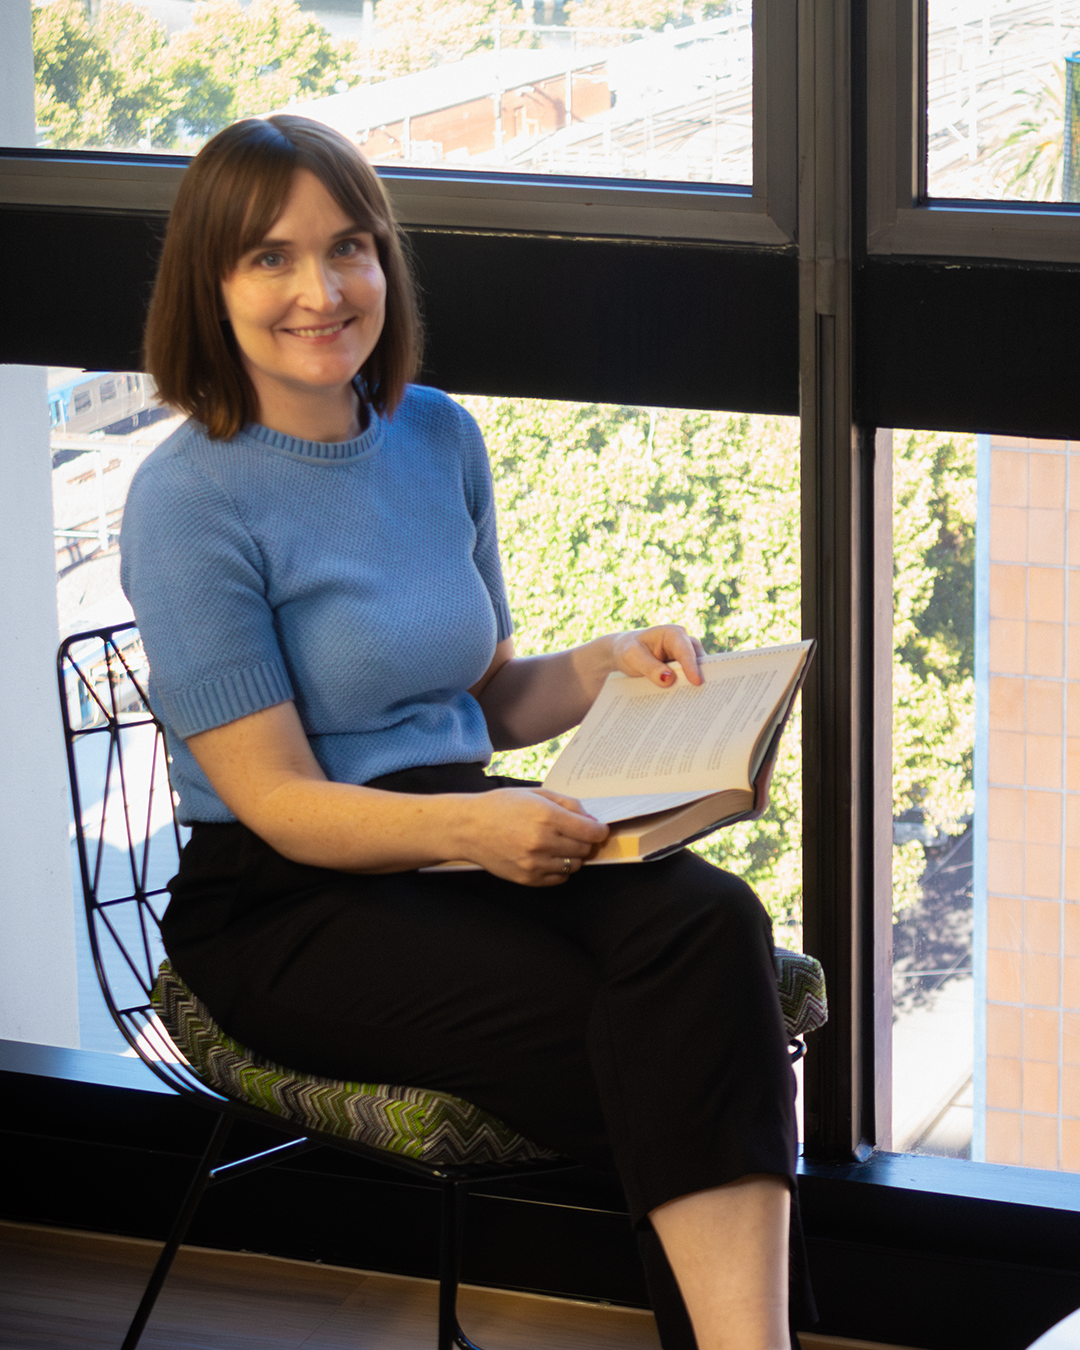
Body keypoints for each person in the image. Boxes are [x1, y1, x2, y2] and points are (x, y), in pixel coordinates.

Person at [120, 114, 813, 1350]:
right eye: (269, 258)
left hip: (464, 841)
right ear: (208, 284)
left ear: (386, 259)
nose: (322, 290)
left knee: (712, 923)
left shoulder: (439, 436)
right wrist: (474, 827)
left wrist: (604, 671)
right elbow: (279, 800)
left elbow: (484, 701)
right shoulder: (187, 498)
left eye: (349, 248)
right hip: (287, 899)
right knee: (654, 1027)